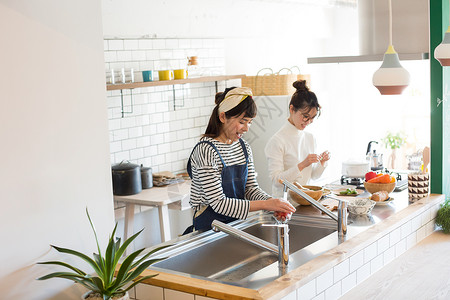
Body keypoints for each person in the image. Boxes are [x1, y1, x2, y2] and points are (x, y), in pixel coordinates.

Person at [184, 87, 296, 234]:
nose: (247, 128)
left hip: (235, 226)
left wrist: (274, 204)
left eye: (250, 122)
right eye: (242, 122)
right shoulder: (206, 150)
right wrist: (267, 204)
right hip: (208, 231)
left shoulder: (244, 147)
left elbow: (250, 189)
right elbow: (219, 204)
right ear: (223, 117)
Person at [264, 80, 330, 201]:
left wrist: (322, 163)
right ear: (292, 109)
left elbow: (313, 176)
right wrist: (302, 164)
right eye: (305, 116)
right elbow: (276, 181)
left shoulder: (310, 138)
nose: (308, 122)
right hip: (284, 206)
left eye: (312, 118)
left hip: (305, 202)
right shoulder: (277, 141)